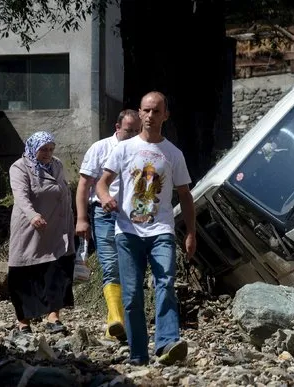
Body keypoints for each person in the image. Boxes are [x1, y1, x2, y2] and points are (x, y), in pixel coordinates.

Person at [96, 91, 196, 366]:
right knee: (132, 294)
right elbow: (101, 182)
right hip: (127, 231)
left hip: (161, 230)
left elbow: (185, 195)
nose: (150, 116)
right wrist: (105, 198)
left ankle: (166, 343)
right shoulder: (124, 149)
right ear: (139, 113)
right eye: (146, 110)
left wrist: (190, 232)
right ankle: (139, 353)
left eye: (156, 111)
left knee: (165, 283)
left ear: (166, 115)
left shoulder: (173, 154)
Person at [75, 109, 141, 341]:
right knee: (110, 263)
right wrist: (82, 218)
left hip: (133, 216)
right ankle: (115, 318)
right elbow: (84, 185)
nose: (132, 134)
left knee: (130, 266)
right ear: (117, 127)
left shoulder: (141, 150)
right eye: (128, 130)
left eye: (136, 130)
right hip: (103, 214)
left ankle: (118, 322)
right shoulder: (100, 148)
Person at [8, 131, 75, 334]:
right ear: (33, 148)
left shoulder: (56, 165)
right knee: (24, 271)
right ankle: (23, 321)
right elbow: (20, 195)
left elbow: (62, 190)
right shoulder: (19, 167)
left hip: (56, 226)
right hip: (31, 227)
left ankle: (53, 317)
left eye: (51, 149)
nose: (48, 153)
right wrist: (32, 215)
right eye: (43, 149)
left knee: (56, 269)